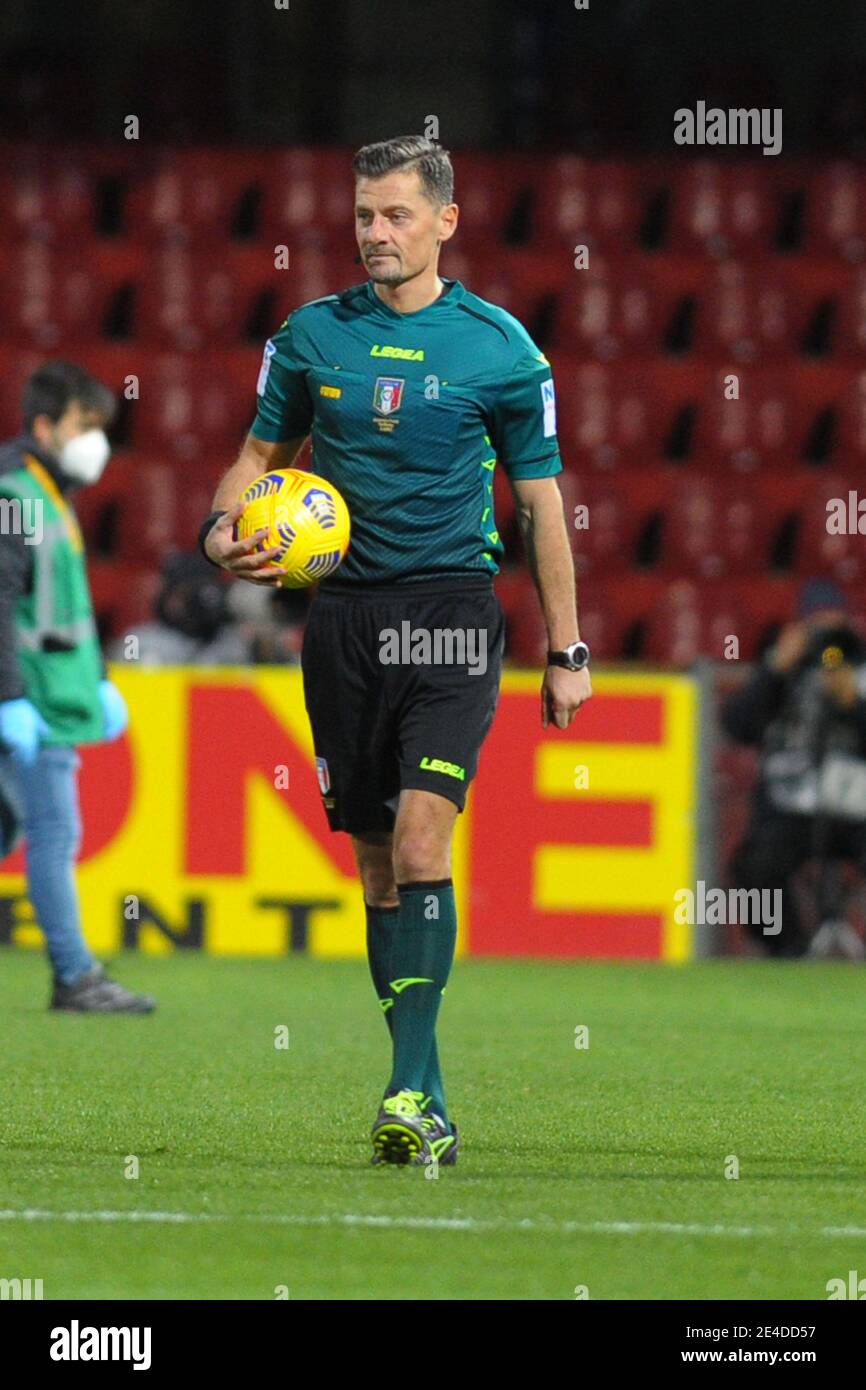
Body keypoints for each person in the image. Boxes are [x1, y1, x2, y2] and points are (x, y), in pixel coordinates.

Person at [198, 136, 591, 1164]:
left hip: (453, 613)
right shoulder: (309, 337)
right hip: (339, 621)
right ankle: (427, 1092)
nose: (375, 232)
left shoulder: (501, 349)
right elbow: (254, 459)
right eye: (364, 215)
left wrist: (568, 648)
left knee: (423, 840)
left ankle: (403, 1089)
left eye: (396, 216)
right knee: (375, 862)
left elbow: (541, 506)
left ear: (444, 223)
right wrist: (215, 533)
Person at [0, 360, 155, 1013]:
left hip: (52, 693)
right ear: (43, 426)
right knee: (55, 829)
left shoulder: (46, 493)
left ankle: (76, 974)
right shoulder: (15, 498)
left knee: (12, 825)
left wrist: (97, 679)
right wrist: (9, 699)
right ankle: (75, 976)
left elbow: (64, 606)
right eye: (83, 425)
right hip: (31, 698)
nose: (96, 441)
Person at [722, 579, 866, 958]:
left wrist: (853, 704)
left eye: (834, 631)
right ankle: (788, 952)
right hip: (792, 810)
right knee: (753, 866)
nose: (826, 647)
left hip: (858, 810)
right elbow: (736, 724)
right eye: (817, 631)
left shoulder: (860, 672)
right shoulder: (781, 676)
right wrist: (776, 668)